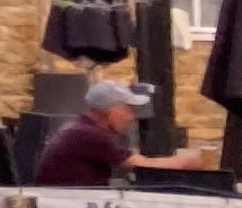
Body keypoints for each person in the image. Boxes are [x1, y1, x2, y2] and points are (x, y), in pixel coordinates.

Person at [32, 78, 215, 185]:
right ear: (111, 110)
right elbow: (141, 164)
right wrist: (188, 161)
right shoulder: (89, 135)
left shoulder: (81, 128)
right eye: (127, 110)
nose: (131, 117)